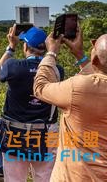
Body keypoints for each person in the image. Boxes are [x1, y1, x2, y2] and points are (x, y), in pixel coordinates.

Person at [33, 27, 107, 179]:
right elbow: (98, 78)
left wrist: (51, 52)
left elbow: (40, 87)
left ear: (95, 60)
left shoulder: (78, 88)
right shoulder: (86, 87)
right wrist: (79, 55)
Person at [0, 25, 63, 182]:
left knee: (14, 178)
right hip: (47, 131)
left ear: (25, 46)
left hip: (15, 131)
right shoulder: (57, 70)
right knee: (46, 177)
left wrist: (11, 47)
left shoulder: (13, 67)